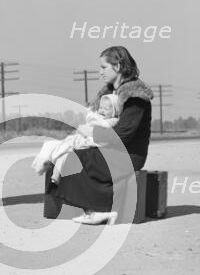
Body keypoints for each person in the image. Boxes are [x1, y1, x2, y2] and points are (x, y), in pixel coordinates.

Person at [46, 46, 154, 225]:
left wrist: (91, 132)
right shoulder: (108, 94)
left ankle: (100, 209)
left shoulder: (135, 96)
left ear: (118, 66)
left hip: (128, 155)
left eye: (103, 67)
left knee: (76, 159)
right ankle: (95, 208)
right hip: (109, 149)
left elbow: (124, 134)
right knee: (63, 155)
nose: (100, 72)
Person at [31, 94, 120, 183]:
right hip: (84, 137)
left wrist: (92, 118)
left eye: (106, 109)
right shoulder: (99, 117)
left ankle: (53, 171)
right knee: (54, 145)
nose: (102, 111)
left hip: (90, 141)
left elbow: (103, 126)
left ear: (115, 111)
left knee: (65, 151)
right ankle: (45, 162)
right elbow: (89, 123)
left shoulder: (112, 121)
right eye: (101, 107)